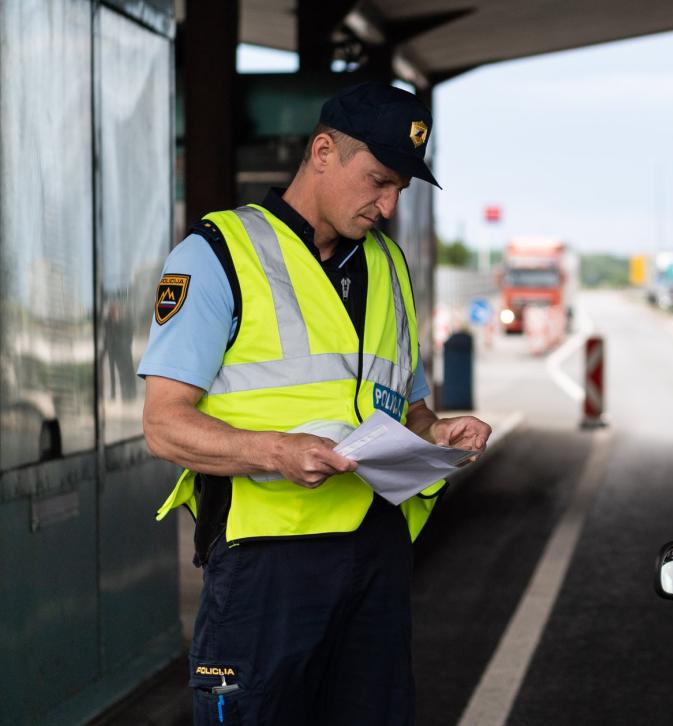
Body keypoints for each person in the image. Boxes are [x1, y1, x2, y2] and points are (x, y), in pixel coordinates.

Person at [139, 83, 491, 725]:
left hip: (376, 553)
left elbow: (406, 406)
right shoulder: (220, 256)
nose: (388, 206)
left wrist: (437, 433)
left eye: (400, 191)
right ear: (322, 151)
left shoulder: (389, 267)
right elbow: (164, 427)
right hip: (267, 559)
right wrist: (274, 450)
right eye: (379, 181)